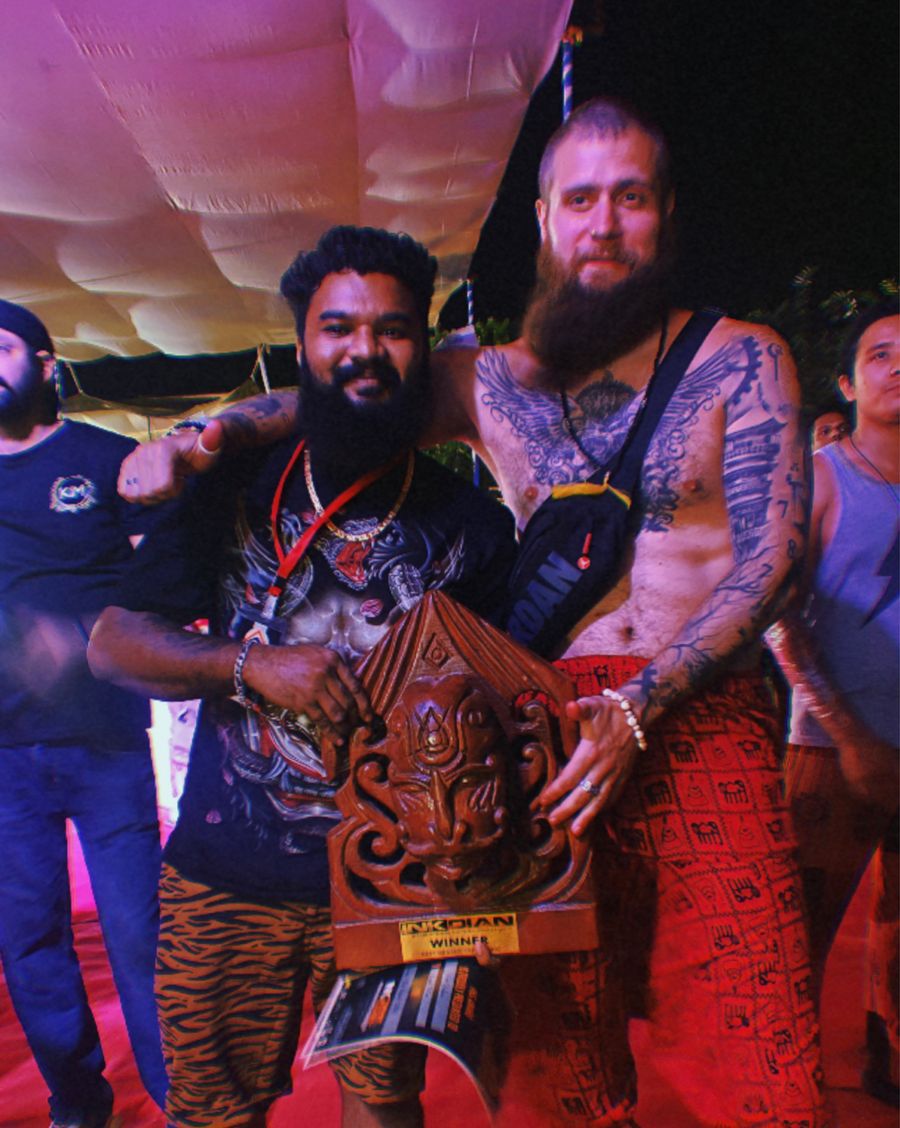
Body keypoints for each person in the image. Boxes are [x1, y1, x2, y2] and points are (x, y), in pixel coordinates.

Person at [116, 100, 824, 1126]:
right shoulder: (495, 380)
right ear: (544, 219)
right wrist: (204, 436)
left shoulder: (741, 357)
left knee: (756, 1038)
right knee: (554, 1055)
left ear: (666, 212)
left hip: (696, 715)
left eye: (630, 197)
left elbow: (775, 557)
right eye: (581, 199)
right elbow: (346, 390)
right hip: (546, 731)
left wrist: (643, 704)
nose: (604, 223)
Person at [88, 226, 516, 1128]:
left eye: (393, 329)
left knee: (385, 1105)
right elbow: (114, 644)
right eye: (339, 327)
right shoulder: (234, 486)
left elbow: (497, 714)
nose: (365, 349)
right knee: (210, 1113)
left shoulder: (472, 526)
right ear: (300, 344)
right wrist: (248, 665)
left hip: (395, 879)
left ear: (424, 346)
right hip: (223, 877)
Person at [0, 299, 167, 1127]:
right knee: (30, 944)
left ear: (44, 363)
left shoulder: (107, 460)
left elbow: (164, 580)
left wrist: (84, 635)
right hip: (4, 756)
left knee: (139, 937)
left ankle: (182, 1099)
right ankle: (77, 1102)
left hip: (107, 741)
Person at [769, 299, 899, 1105]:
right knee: (798, 934)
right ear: (847, 384)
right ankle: (777, 1091)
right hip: (831, 750)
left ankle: (886, 1061)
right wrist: (846, 733)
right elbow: (776, 615)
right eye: (881, 353)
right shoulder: (818, 477)